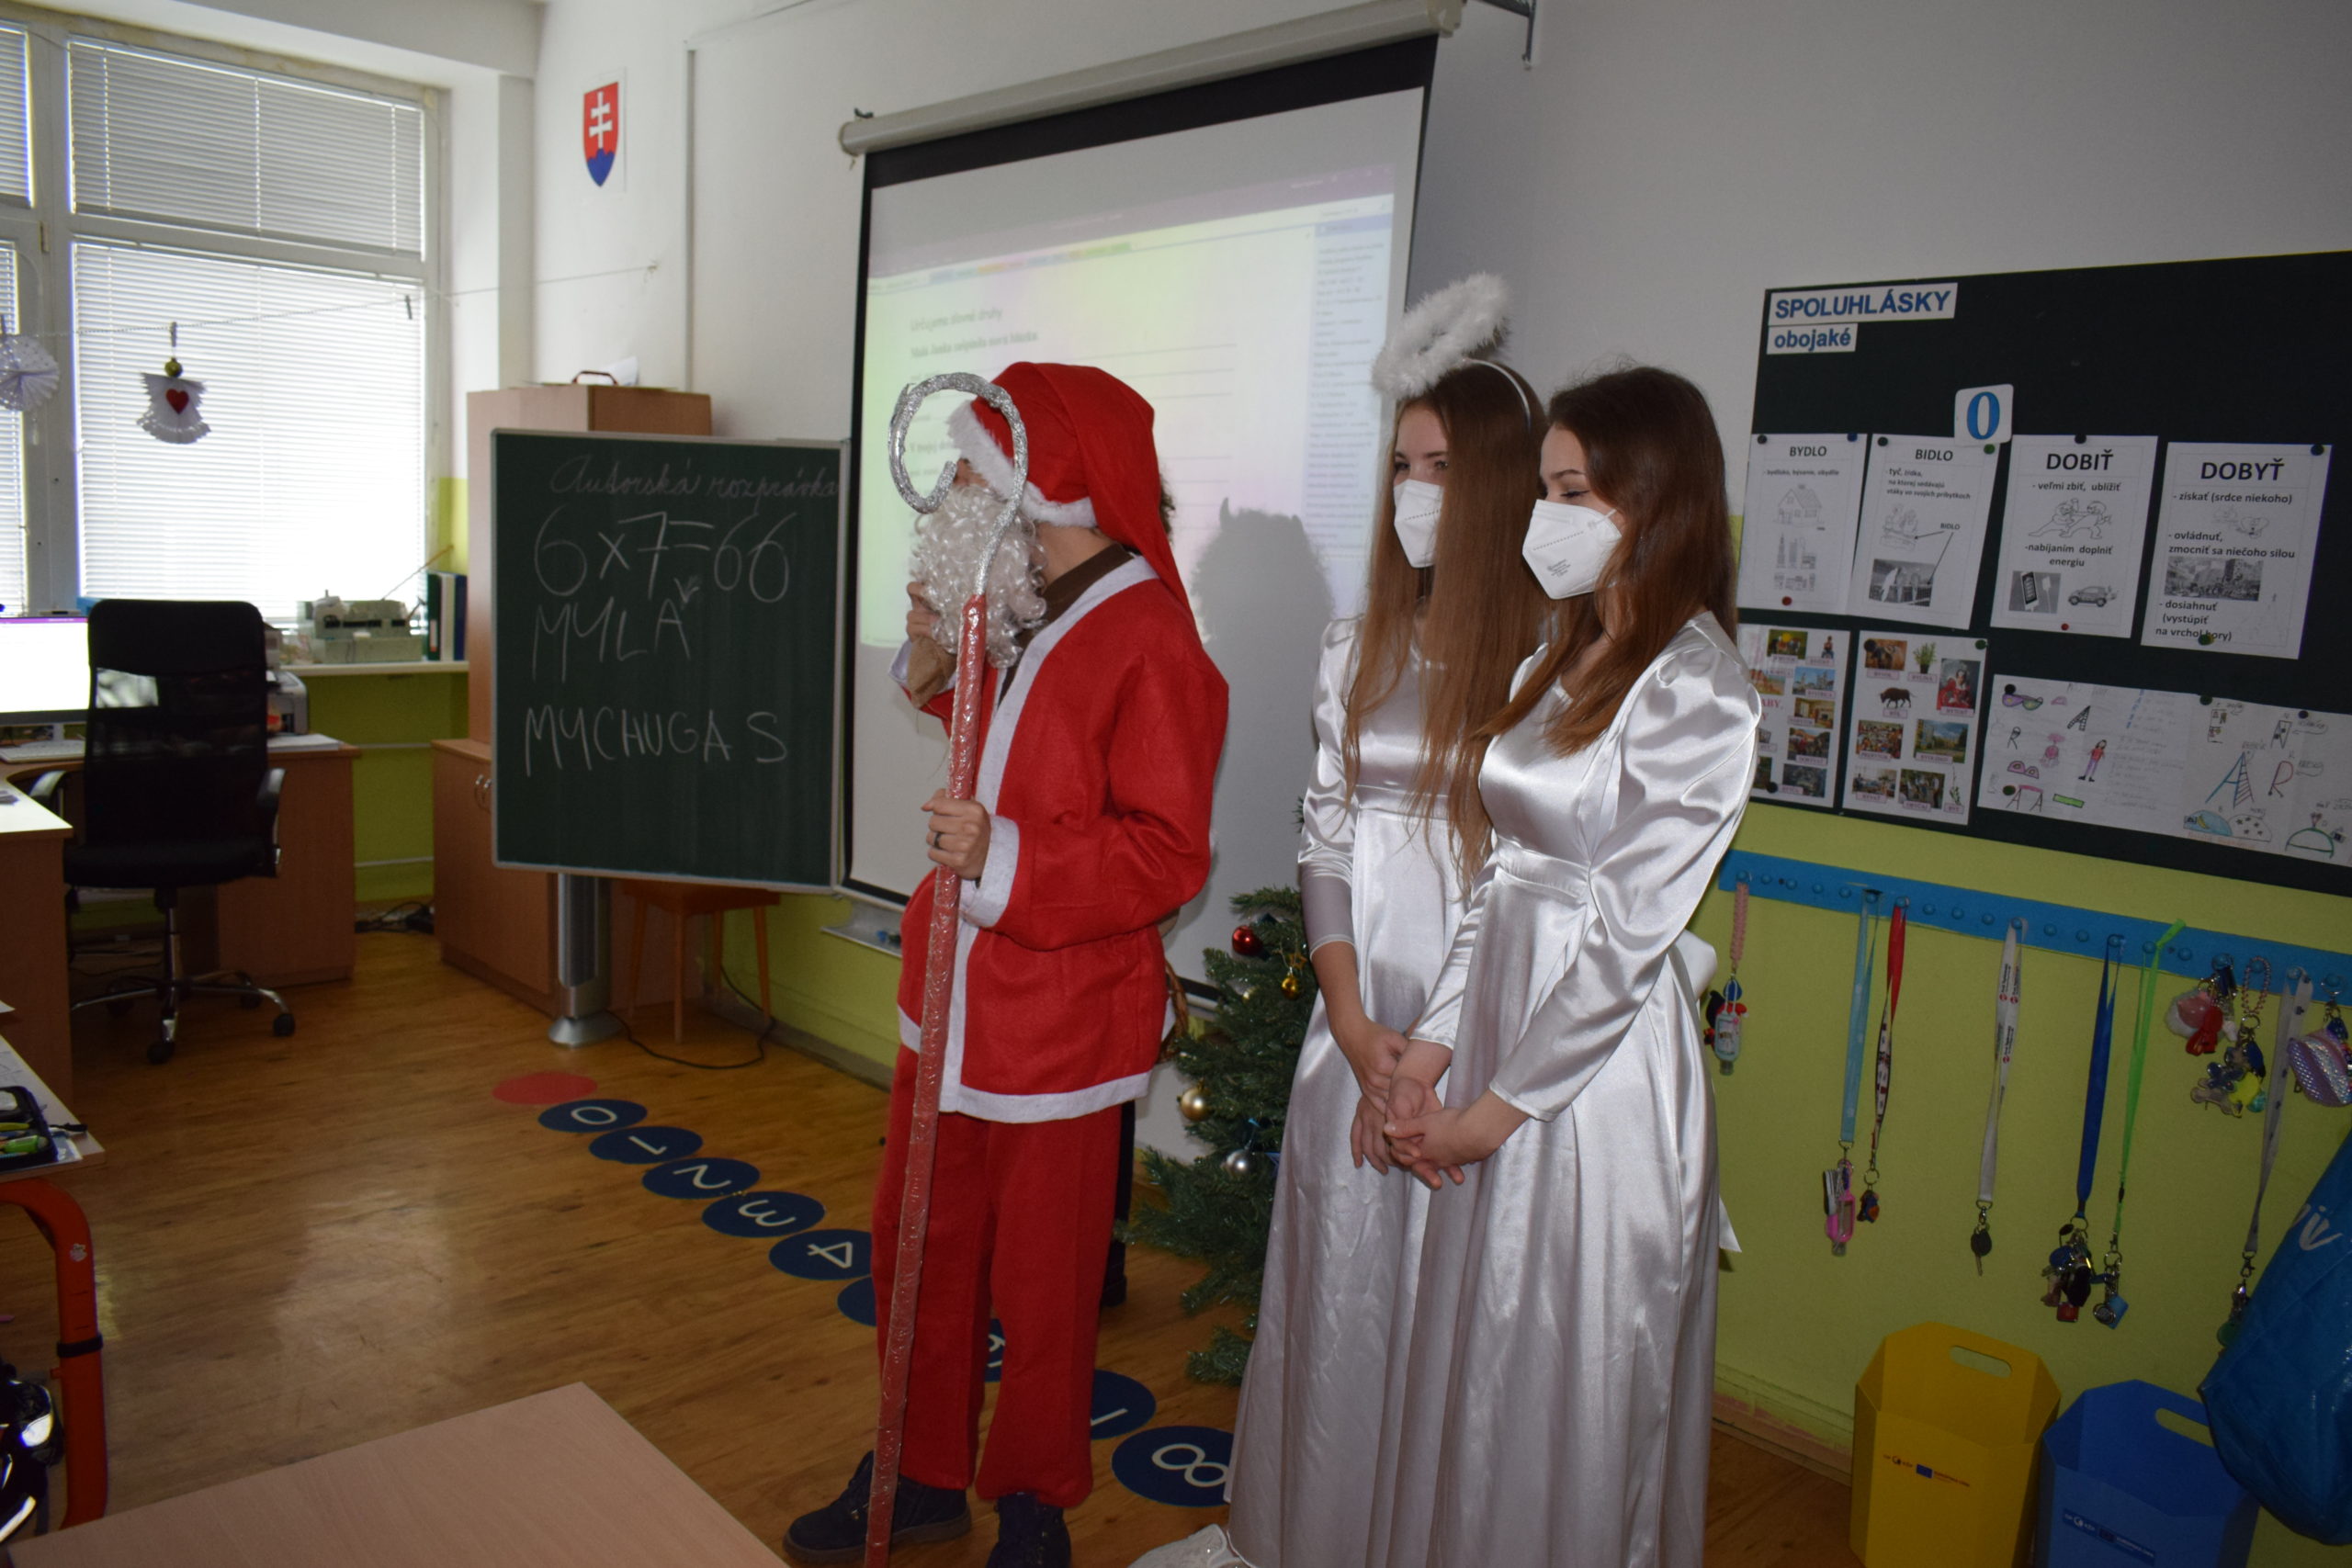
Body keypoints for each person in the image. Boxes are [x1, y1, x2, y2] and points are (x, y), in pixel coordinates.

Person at [784, 362, 1228, 1568]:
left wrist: (1008, 854)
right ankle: (918, 1466)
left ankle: (1035, 1502)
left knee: (1045, 1285)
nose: (956, 492)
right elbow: (1013, 745)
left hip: (1061, 1025)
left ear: (1051, 481)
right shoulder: (1023, 594)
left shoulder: (1152, 637)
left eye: (975, 468)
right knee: (916, 1248)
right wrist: (936, 665)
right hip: (953, 999)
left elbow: (1166, 852)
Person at [1136, 278, 1550, 1568]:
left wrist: (1422, 1052)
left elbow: (1521, 874)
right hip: (1356, 1035)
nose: (1413, 493)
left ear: (1501, 485)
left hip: (1476, 1044)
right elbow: (1324, 835)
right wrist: (1355, 1020)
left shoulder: (1551, 662)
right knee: (1337, 1316)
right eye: (1400, 468)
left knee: (1455, 1335)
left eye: (1442, 469)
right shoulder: (1353, 642)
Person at [1375, 366, 1759, 1568]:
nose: (1544, 516)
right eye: (1545, 489)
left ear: (1654, 496)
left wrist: (1486, 1116)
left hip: (1594, 1088)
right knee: (1478, 1372)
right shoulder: (1560, 653)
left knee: (1566, 1389)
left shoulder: (1699, 690)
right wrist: (1434, 1047)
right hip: (1500, 1042)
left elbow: (1624, 945)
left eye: (1572, 490)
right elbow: (1503, 878)